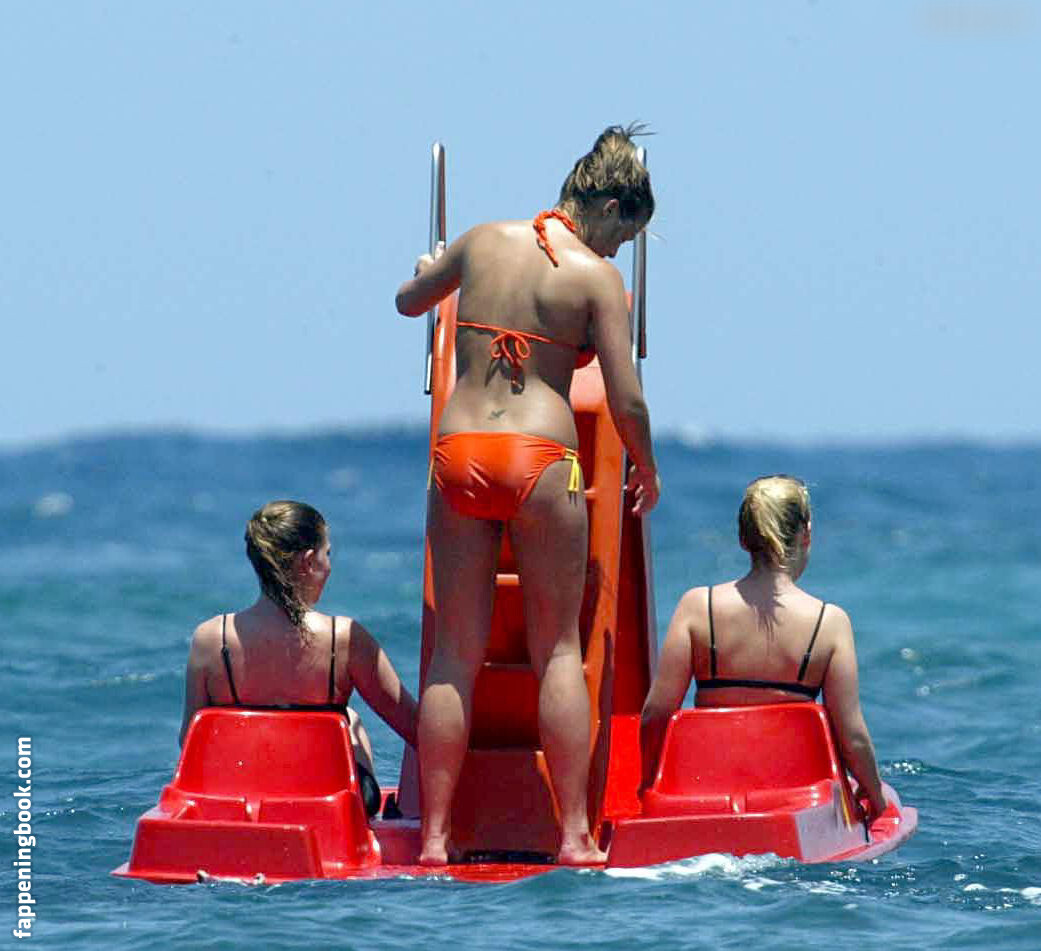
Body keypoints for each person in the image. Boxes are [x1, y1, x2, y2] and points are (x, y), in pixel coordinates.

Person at [395, 125, 661, 865]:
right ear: (609, 207)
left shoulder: (481, 240)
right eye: (622, 237)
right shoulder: (593, 279)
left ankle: (435, 839)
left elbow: (408, 302)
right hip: (541, 458)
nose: (616, 253)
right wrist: (647, 466)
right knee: (558, 651)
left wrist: (426, 269)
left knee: (453, 656)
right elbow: (625, 398)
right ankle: (574, 835)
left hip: (458, 453)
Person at [639, 475, 887, 823]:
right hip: (797, 801)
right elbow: (852, 735)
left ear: (743, 538)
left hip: (704, 792)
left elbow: (656, 714)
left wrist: (648, 785)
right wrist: (876, 796)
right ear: (806, 535)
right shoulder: (828, 622)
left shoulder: (697, 607)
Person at [179, 500, 419, 819]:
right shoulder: (342, 638)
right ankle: (369, 827)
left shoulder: (211, 638)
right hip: (328, 805)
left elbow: (190, 741)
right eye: (327, 554)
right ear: (308, 561)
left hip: (239, 798)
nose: (329, 566)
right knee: (350, 719)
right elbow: (417, 730)